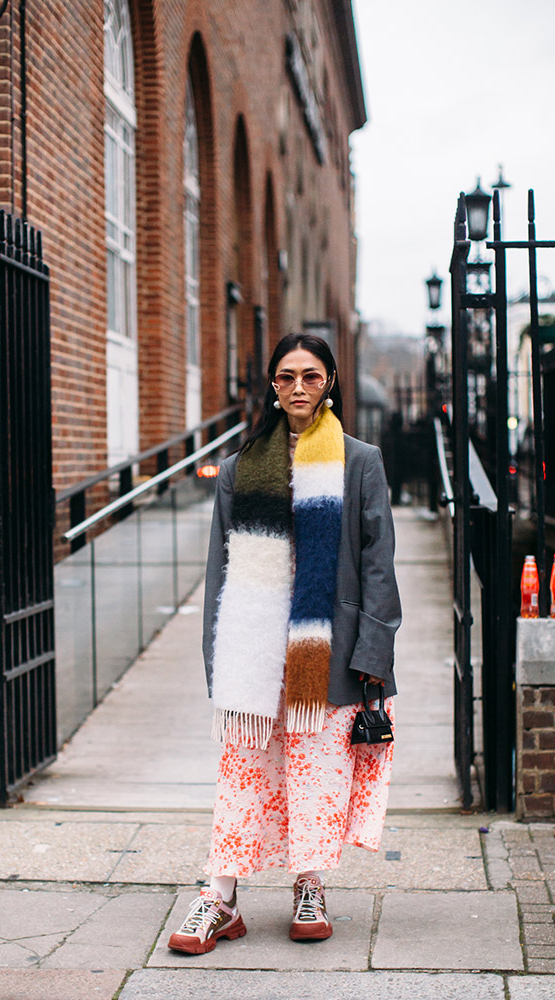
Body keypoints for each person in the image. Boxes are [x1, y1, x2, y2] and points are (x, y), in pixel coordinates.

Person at [168, 332, 401, 955]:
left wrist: (374, 652)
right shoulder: (243, 468)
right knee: (242, 774)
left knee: (315, 773)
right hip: (256, 651)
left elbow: (379, 565)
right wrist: (218, 656)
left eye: (311, 376)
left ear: (330, 383)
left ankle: (309, 884)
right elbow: (219, 569)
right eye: (286, 377)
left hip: (328, 651)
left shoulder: (360, 461)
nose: (298, 388)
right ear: (272, 387)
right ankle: (220, 897)